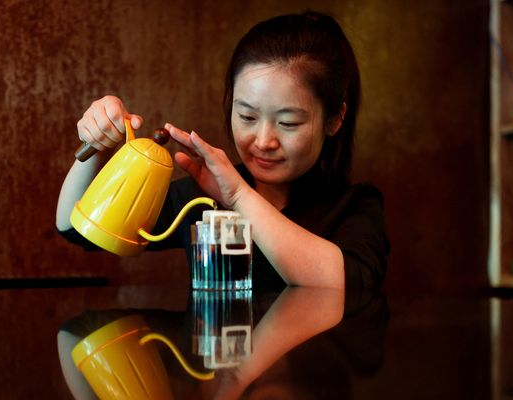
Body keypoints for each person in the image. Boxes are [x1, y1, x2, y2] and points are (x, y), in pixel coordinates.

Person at [56, 11, 389, 291]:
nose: (263, 140)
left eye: (288, 123)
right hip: (216, 368)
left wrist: (240, 197)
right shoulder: (201, 195)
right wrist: (98, 145)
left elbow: (347, 284)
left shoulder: (356, 207)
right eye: (247, 116)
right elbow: (76, 229)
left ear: (334, 119)